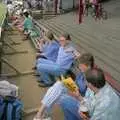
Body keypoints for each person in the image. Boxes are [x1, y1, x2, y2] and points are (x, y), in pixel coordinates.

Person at [34, 53, 95, 120]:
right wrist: (69, 83)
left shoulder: (92, 78)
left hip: (82, 99)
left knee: (60, 96)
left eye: (81, 65)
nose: (79, 67)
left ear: (88, 66)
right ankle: (40, 114)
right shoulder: (83, 72)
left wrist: (77, 94)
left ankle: (40, 115)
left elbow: (89, 98)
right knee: (59, 85)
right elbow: (77, 83)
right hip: (76, 91)